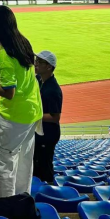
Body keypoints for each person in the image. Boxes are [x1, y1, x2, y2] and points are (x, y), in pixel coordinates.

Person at [0, 5, 43, 198]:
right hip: (32, 112)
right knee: (24, 162)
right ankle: (21, 201)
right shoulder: (23, 43)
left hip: (14, 118)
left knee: (5, 163)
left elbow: (9, 93)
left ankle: (6, 205)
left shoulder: (4, 59)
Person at [33, 51, 63, 183]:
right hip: (41, 131)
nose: (36, 64)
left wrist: (34, 115)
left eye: (40, 62)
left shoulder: (53, 90)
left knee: (44, 166)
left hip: (48, 134)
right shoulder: (39, 80)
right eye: (36, 60)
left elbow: (55, 117)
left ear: (49, 67)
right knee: (36, 164)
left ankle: (48, 188)